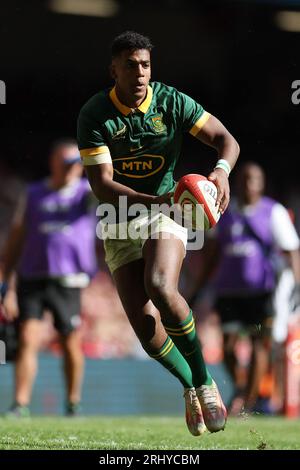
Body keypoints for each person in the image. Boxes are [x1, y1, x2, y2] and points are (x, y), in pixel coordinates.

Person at [77, 31, 240, 436]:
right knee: (146, 330)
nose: (140, 73)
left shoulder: (172, 102)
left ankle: (205, 382)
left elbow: (225, 140)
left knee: (160, 286)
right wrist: (156, 201)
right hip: (119, 216)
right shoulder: (95, 114)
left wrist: (220, 171)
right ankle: (189, 385)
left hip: (166, 211)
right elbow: (102, 185)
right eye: (130, 65)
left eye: (145, 65)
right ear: (113, 69)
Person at [191, 162, 300, 414]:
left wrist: (294, 285)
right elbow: (213, 254)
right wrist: (199, 287)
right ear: (237, 182)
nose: (248, 183)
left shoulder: (274, 212)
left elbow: (291, 250)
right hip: (228, 290)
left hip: (262, 292)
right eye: (244, 178)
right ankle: (242, 387)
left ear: (262, 184)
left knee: (259, 345)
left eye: (254, 179)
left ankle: (248, 407)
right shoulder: (224, 212)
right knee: (227, 347)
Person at [0, 138, 97, 417]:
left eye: (76, 164)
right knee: (28, 339)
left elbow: (107, 187)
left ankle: (73, 402)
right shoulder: (33, 194)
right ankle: (20, 403)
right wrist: (5, 279)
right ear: (53, 162)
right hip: (33, 275)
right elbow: (17, 237)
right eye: (66, 163)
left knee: (70, 341)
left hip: (69, 279)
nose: (71, 169)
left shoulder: (85, 193)